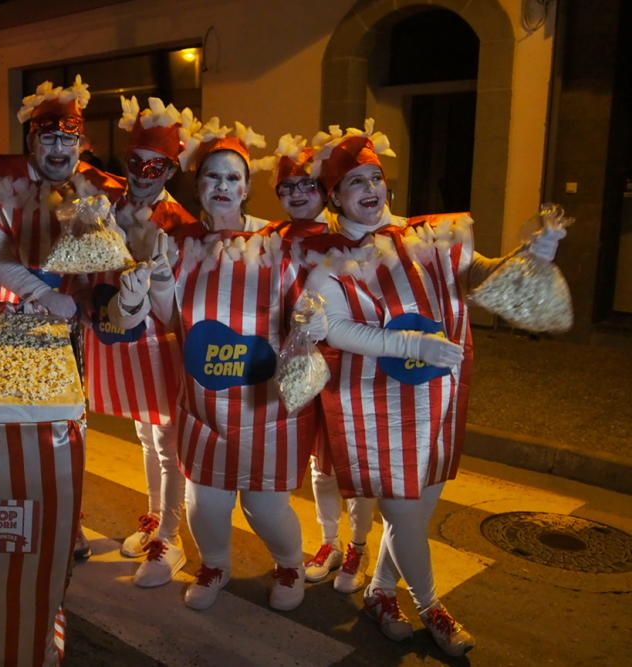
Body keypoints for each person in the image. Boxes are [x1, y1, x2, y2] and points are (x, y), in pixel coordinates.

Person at [303, 120, 566, 656]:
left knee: (414, 518)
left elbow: (486, 278)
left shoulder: (432, 235)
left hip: (436, 399)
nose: (370, 188)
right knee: (403, 514)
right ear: (334, 195)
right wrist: (412, 346)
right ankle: (431, 606)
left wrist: (537, 253)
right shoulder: (325, 260)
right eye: (355, 181)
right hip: (375, 405)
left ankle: (381, 592)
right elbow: (333, 329)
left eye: (375, 176)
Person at [114, 118, 322, 612]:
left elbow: (312, 302)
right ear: (198, 186)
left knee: (264, 504)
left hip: (266, 405)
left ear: (247, 187)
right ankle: (215, 564)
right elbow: (168, 318)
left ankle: (289, 562)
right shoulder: (178, 242)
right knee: (205, 502)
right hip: (204, 402)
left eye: (233, 178)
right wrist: (154, 287)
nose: (222, 186)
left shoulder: (278, 241)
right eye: (212, 178)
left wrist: (314, 316)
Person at [0, 76, 125, 560]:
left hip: (72, 330)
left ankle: (69, 521)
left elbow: (113, 255)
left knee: (68, 429)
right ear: (31, 141)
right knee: (11, 424)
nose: (59, 148)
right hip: (14, 321)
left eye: (68, 138)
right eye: (49, 137)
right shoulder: (1, 186)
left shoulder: (100, 190)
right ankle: (15, 518)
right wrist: (41, 291)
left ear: (81, 142)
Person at [85, 96, 200, 587]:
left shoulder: (180, 224)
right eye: (137, 162)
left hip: (162, 342)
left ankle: (170, 537)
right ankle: (155, 515)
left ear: (171, 170)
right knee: (143, 433)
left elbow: (180, 303)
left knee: (167, 438)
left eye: (157, 166)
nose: (144, 173)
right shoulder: (109, 205)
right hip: (120, 338)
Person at [262, 133, 377, 593]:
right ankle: (329, 541)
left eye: (306, 183)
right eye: (286, 186)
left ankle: (359, 544)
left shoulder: (344, 239)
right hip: (296, 367)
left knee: (353, 461)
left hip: (347, 363)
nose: (296, 194)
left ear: (325, 190)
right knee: (320, 464)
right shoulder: (268, 238)